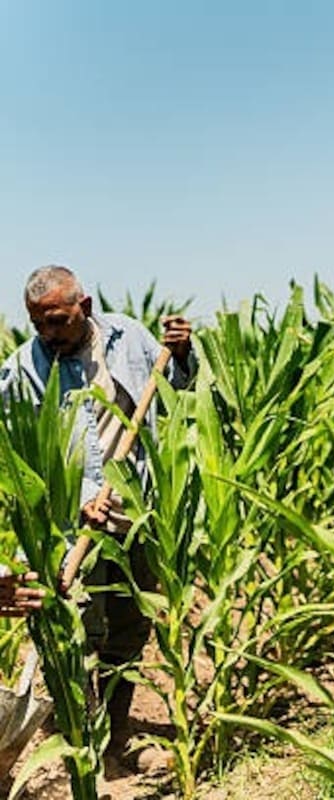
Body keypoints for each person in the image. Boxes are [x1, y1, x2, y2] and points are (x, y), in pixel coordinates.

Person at [0, 265, 195, 768]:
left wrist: (181, 352)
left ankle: (116, 734)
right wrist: (76, 500)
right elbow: (22, 454)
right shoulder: (23, 368)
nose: (47, 335)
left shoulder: (128, 336)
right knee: (77, 634)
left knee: (130, 631)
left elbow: (174, 387)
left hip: (136, 514)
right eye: (37, 324)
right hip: (72, 528)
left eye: (58, 322)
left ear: (83, 309)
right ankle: (73, 737)